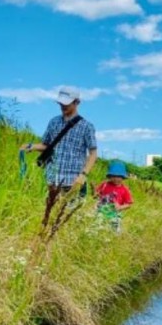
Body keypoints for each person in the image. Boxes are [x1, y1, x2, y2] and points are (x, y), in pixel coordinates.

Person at [21, 87, 98, 236]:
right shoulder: (54, 122)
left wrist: (83, 175)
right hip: (52, 177)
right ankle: (43, 239)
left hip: (74, 180)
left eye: (67, 104)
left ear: (77, 102)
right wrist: (30, 146)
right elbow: (46, 145)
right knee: (48, 213)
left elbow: (93, 153)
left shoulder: (87, 126)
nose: (63, 107)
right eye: (61, 104)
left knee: (69, 219)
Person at [95, 161, 134, 233]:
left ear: (123, 177)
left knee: (115, 229)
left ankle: (115, 238)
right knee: (98, 225)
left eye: (119, 176)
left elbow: (129, 204)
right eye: (113, 176)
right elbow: (97, 194)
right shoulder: (105, 184)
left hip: (115, 213)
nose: (116, 179)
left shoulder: (125, 189)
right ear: (109, 176)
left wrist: (120, 207)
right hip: (102, 210)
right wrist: (96, 201)